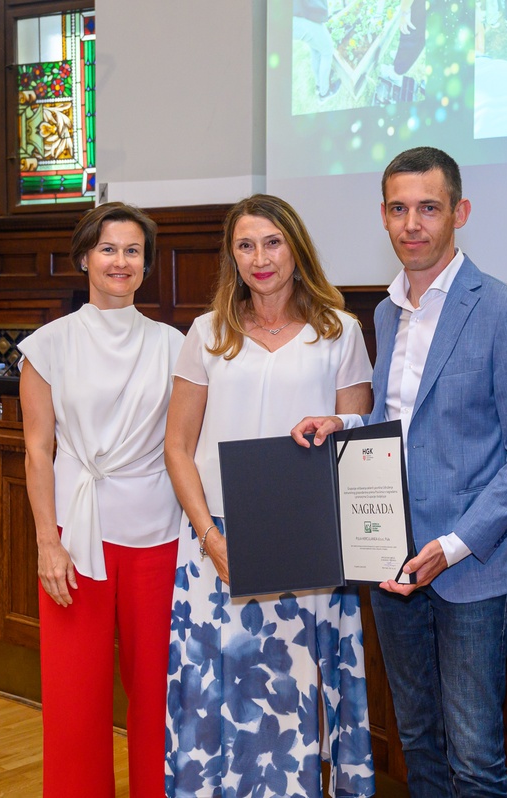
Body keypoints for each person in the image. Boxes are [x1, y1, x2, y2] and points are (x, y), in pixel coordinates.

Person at [292, 147, 507, 798]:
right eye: (399, 209)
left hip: (472, 567)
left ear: (460, 212)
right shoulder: (386, 311)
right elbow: (398, 421)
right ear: (382, 215)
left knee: (475, 759)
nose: (413, 224)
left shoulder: (502, 309)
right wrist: (343, 424)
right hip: (392, 558)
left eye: (428, 208)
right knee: (417, 744)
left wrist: (453, 546)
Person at [164, 194, 376, 798]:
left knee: (292, 697)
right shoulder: (207, 333)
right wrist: (211, 539)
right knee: (213, 698)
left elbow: (357, 442)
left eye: (273, 242)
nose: (260, 258)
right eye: (246, 245)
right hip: (215, 544)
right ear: (232, 256)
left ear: (295, 247)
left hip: (306, 547)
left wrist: (340, 429)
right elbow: (177, 447)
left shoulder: (340, 331)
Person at [20, 202, 185, 798]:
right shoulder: (48, 346)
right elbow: (37, 451)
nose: (121, 261)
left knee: (158, 694)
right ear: (85, 257)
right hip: (74, 538)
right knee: (74, 695)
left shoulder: (175, 345)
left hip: (158, 534)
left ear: (147, 264)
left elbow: (189, 443)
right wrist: (47, 542)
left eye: (133, 251)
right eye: (108, 249)